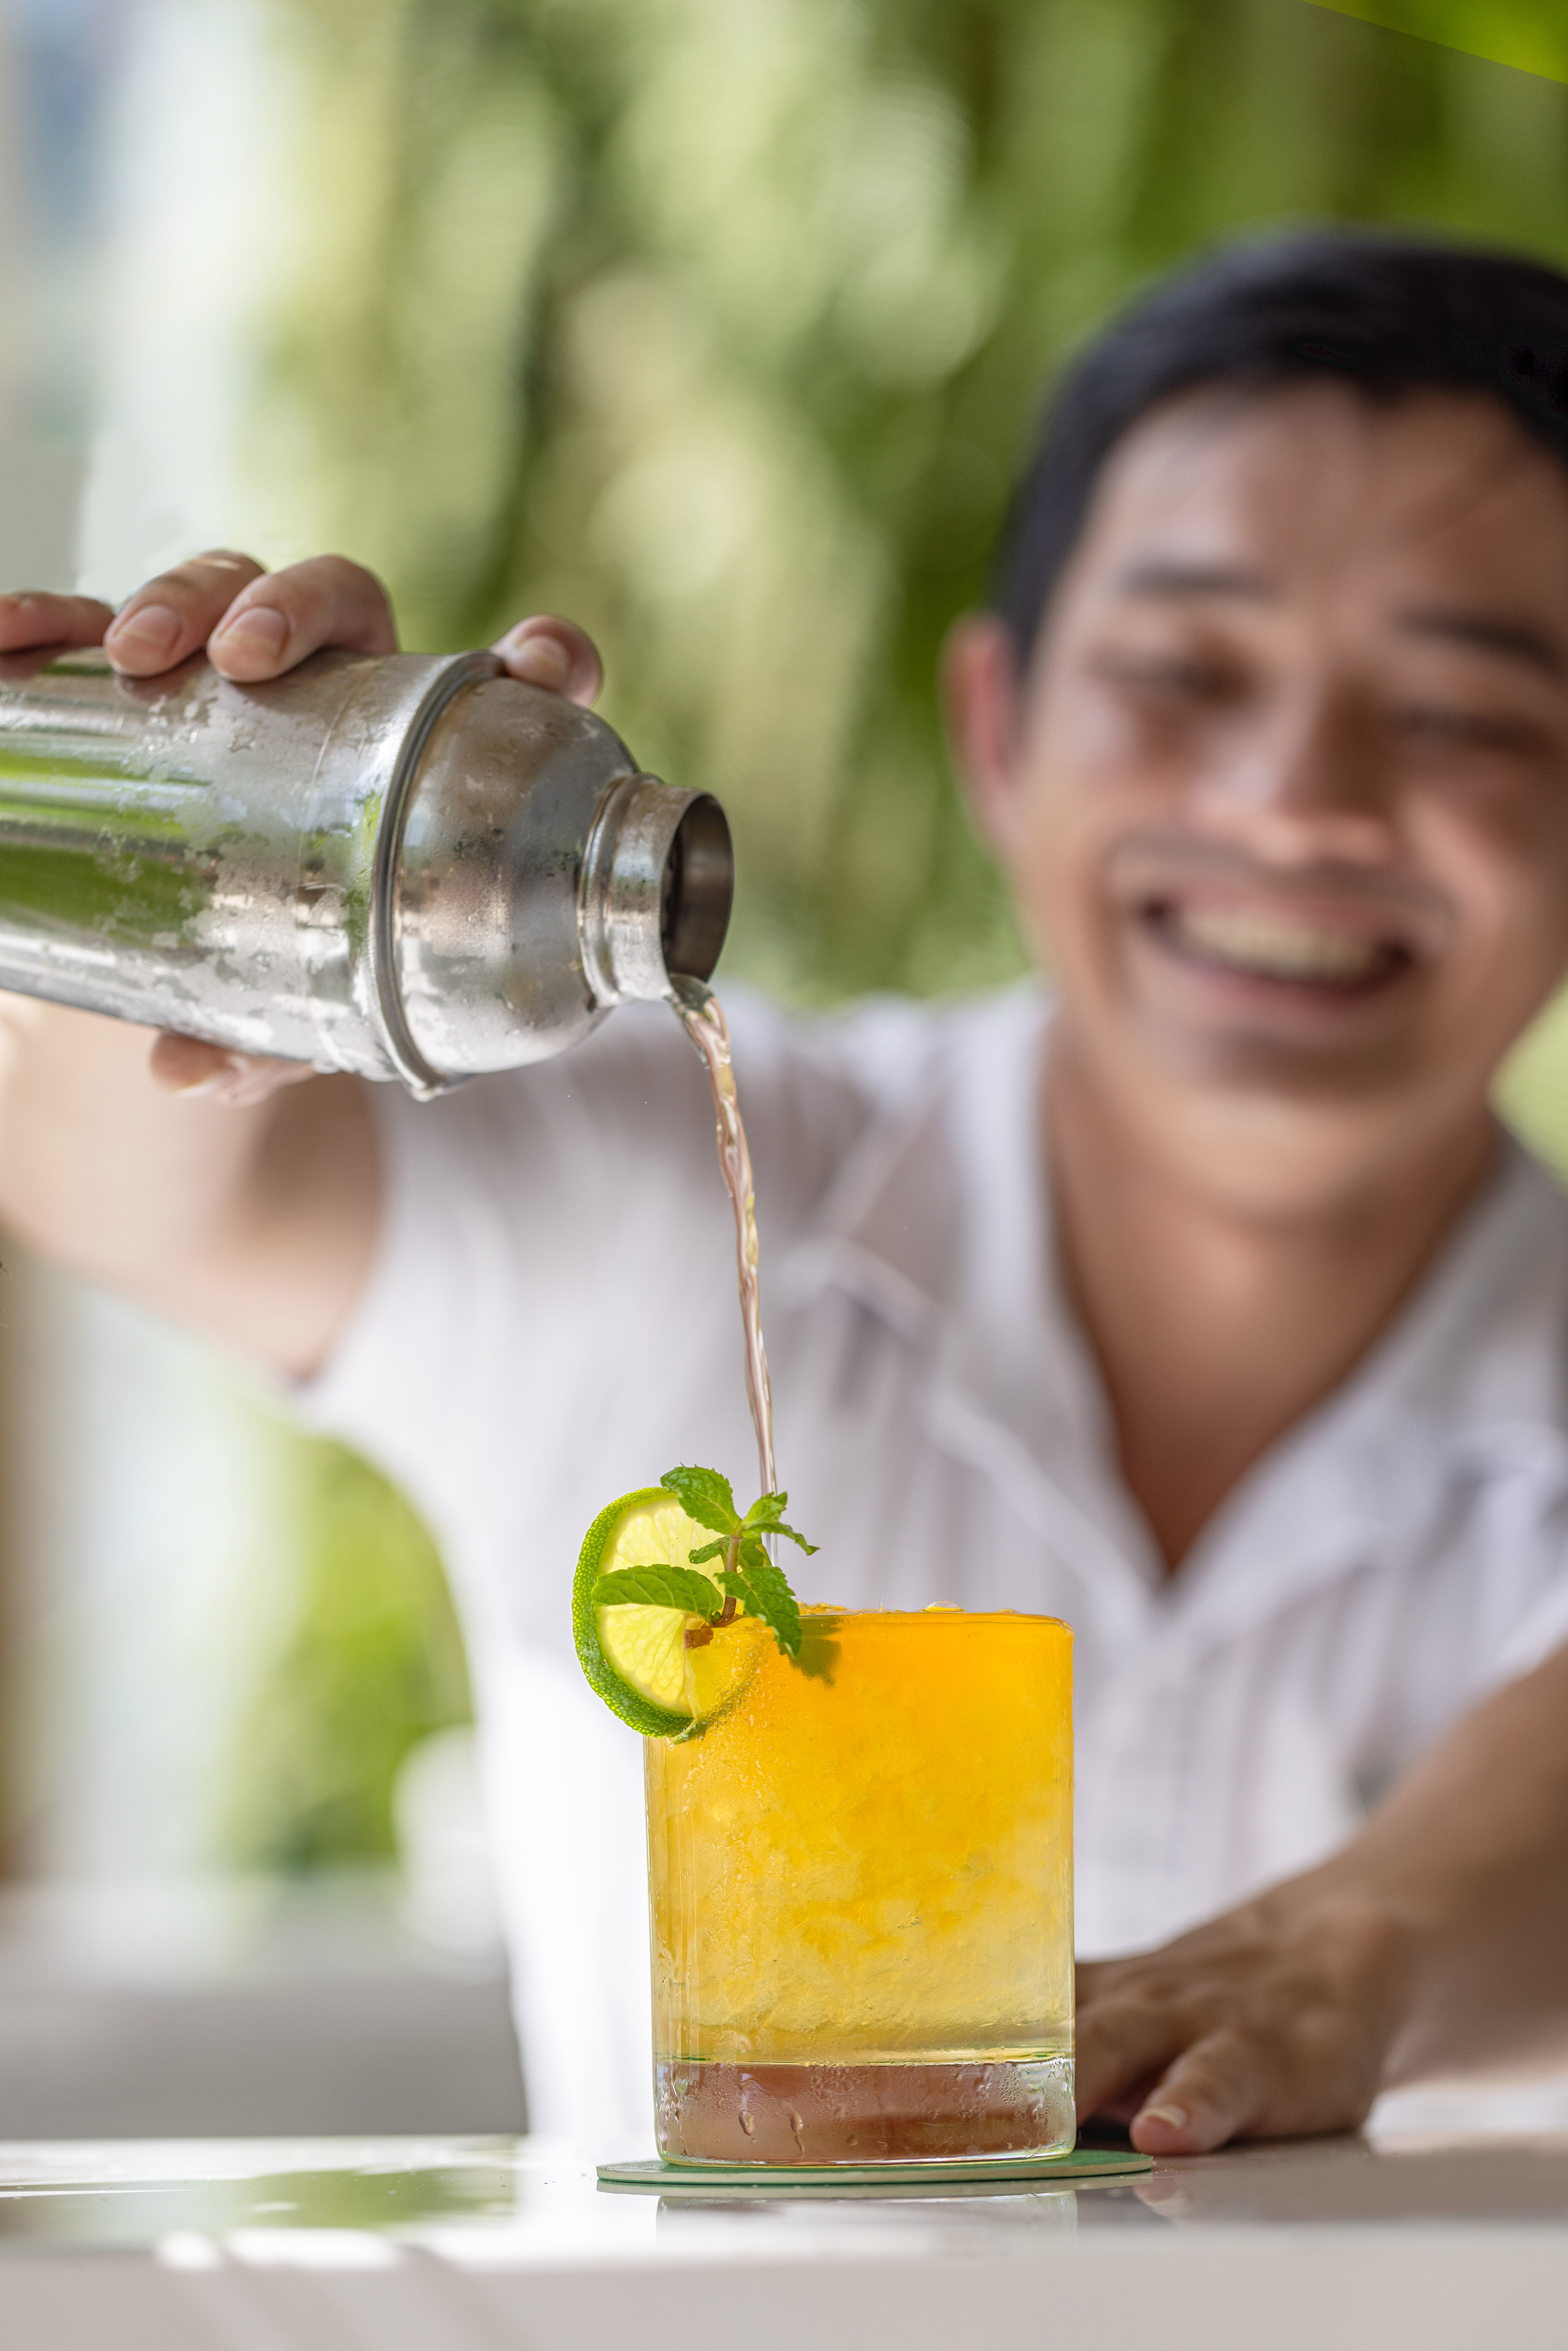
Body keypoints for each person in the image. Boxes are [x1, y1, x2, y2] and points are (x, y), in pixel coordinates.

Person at [4, 228, 1568, 2156]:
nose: (1299, 799)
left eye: (1460, 713)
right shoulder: (668, 1181)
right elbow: (140, 1195)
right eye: (1182, 669)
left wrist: (1346, 1957)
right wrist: (186, 889)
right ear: (996, 732)